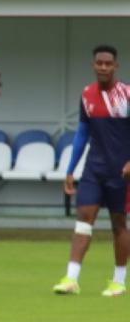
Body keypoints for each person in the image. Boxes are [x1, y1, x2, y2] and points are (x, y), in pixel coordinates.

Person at [52, 44, 130, 297]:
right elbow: (82, 134)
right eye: (100, 63)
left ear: (116, 66)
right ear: (93, 65)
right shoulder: (86, 95)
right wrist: (71, 169)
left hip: (122, 172)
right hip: (94, 170)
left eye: (109, 63)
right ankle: (71, 279)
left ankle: (119, 281)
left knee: (119, 224)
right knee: (84, 220)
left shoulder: (127, 95)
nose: (104, 67)